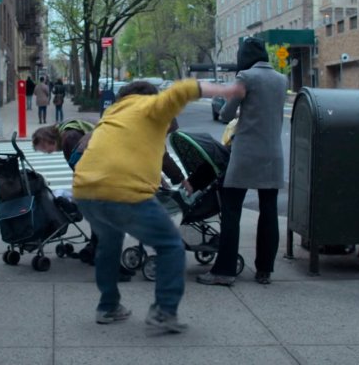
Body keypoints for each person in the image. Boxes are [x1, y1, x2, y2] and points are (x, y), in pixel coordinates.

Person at [72, 79, 243, 333]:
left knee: (109, 245)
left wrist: (177, 178)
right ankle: (164, 312)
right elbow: (180, 91)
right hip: (123, 190)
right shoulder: (148, 106)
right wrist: (224, 90)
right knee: (172, 246)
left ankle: (107, 307)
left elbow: (151, 154)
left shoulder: (113, 113)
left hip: (85, 190)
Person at [196, 37, 287, 287]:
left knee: (231, 210)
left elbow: (226, 114)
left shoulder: (246, 77)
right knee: (268, 210)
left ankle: (224, 271)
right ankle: (264, 270)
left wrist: (241, 111)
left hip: (246, 154)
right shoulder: (281, 80)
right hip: (273, 155)